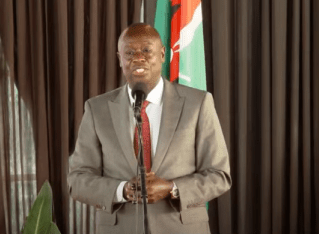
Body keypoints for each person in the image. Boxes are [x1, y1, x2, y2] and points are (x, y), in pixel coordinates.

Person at [68, 23, 231, 234]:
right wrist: (122, 191)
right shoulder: (96, 109)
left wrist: (172, 188)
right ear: (120, 59)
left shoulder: (198, 103)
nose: (138, 58)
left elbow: (220, 175)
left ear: (163, 54)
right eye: (129, 52)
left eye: (146, 50)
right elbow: (78, 179)